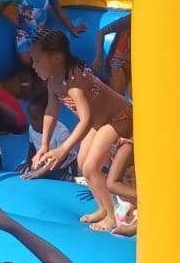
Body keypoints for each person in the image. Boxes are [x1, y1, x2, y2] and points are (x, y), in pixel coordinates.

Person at [28, 29, 136, 233]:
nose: (33, 66)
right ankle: (103, 208)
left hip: (119, 118)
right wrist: (44, 145)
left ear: (57, 58)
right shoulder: (53, 81)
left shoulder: (75, 81)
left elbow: (85, 121)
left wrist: (63, 149)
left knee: (91, 167)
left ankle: (112, 216)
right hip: (100, 122)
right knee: (82, 163)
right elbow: (51, 111)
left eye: (37, 61)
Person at [0, 0, 85, 81]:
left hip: (40, 33)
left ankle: (40, 80)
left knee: (43, 59)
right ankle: (30, 76)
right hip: (23, 32)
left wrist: (72, 27)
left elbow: (59, 11)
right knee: (25, 59)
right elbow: (2, 4)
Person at [20, 92, 78, 180]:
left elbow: (62, 157)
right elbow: (31, 146)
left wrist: (40, 172)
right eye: (30, 118)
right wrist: (28, 162)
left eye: (35, 118)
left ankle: (75, 178)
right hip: (46, 161)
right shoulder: (32, 128)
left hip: (63, 163)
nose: (31, 122)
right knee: (33, 171)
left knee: (60, 178)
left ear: (47, 118)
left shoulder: (61, 132)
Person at [92, 12, 132, 95]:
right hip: (118, 64)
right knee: (118, 95)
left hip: (134, 63)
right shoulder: (127, 20)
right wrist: (99, 56)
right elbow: (101, 33)